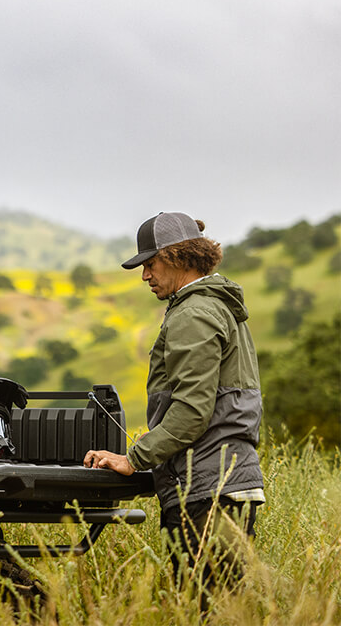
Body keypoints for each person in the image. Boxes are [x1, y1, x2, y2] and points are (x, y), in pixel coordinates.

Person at [84, 212, 264, 588]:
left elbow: (192, 410)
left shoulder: (194, 312)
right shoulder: (216, 306)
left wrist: (133, 458)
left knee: (206, 608)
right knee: (220, 605)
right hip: (224, 483)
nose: (145, 275)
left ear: (177, 256)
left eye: (150, 264)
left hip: (207, 489)